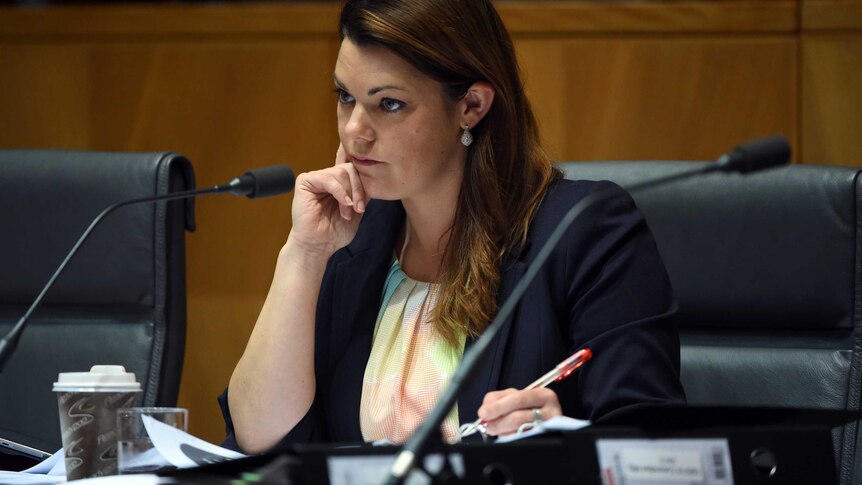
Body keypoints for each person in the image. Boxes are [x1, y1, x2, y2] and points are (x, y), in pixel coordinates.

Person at [220, 0, 685, 453]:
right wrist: (303, 253)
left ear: (473, 106)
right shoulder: (353, 238)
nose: (354, 130)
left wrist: (561, 437)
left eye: (390, 104)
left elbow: (655, 450)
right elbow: (261, 441)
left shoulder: (583, 231)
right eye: (346, 97)